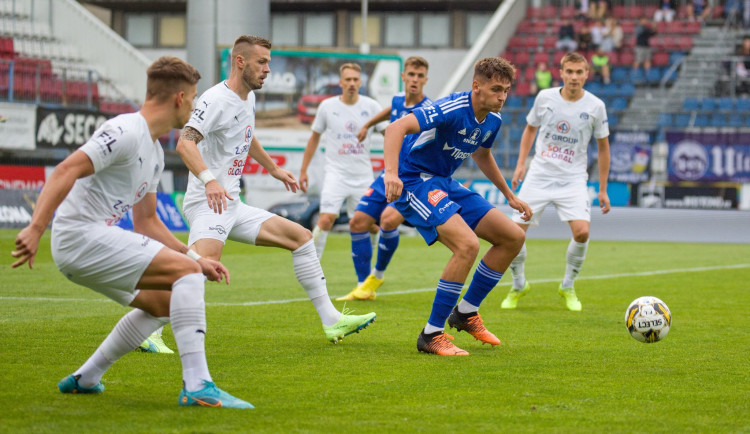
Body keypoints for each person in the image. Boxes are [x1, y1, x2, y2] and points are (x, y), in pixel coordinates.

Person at [11, 57, 253, 408]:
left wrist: (196, 257)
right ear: (179, 98)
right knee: (187, 277)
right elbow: (66, 169)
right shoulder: (125, 130)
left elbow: (148, 223)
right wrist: (35, 228)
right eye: (195, 98)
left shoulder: (154, 151)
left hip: (88, 244)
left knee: (165, 304)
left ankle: (85, 377)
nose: (197, 105)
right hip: (80, 237)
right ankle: (198, 385)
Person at [176, 36, 376, 344]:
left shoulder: (248, 97)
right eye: (262, 62)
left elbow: (247, 135)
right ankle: (143, 326)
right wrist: (209, 180)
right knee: (199, 268)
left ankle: (332, 320)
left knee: (301, 238)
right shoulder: (215, 99)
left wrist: (273, 168)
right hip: (208, 203)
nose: (268, 68)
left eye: (269, 62)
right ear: (240, 61)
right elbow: (185, 142)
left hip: (231, 203)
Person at [382, 57, 532, 356]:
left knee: (513, 237)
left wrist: (509, 195)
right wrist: (390, 173)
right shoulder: (450, 108)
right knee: (467, 245)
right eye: (496, 89)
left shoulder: (493, 119)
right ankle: (431, 334)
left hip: (443, 182)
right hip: (415, 182)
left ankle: (465, 313)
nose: (502, 96)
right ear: (476, 86)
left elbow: (482, 155)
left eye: (506, 90)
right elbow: (395, 128)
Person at [500, 52, 611, 312]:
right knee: (514, 233)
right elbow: (530, 129)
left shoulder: (596, 106)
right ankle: (518, 285)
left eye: (579, 72)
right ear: (561, 73)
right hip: (539, 174)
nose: (574, 77)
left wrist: (603, 189)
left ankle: (568, 285)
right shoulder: (544, 97)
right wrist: (520, 164)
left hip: (572, 179)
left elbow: (604, 148)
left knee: (582, 232)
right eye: (569, 71)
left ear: (586, 75)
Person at [336, 56, 433, 301]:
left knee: (388, 220)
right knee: (357, 222)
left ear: (426, 80)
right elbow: (392, 111)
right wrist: (368, 124)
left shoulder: (429, 110)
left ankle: (377, 275)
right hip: (388, 174)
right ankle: (363, 286)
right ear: (403, 76)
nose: (415, 80)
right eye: (411, 74)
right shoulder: (398, 99)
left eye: (420, 76)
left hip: (413, 179)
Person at [299, 63, 384, 260]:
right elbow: (314, 139)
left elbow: (389, 133)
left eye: (355, 79)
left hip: (362, 177)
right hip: (335, 174)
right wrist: (303, 171)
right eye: (348, 80)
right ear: (341, 82)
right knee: (326, 218)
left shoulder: (371, 106)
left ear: (360, 82)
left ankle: (374, 262)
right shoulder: (327, 106)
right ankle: (313, 264)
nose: (352, 83)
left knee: (369, 224)